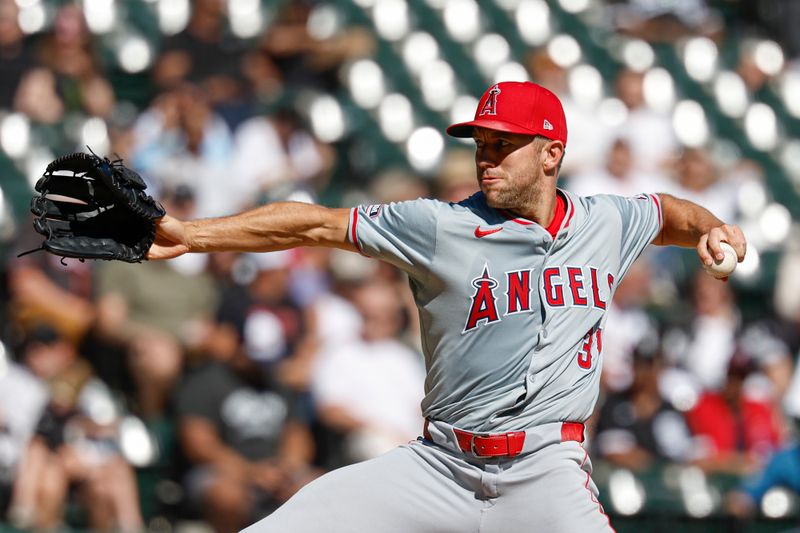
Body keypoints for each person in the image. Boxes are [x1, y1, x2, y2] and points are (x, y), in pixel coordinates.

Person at [147, 81, 747, 532]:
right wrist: (196, 235)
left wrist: (711, 226)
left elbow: (667, 211)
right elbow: (316, 225)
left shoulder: (604, 222)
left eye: (504, 144)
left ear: (550, 153)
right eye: (481, 142)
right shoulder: (440, 226)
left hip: (546, 471)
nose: (486, 156)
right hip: (437, 466)